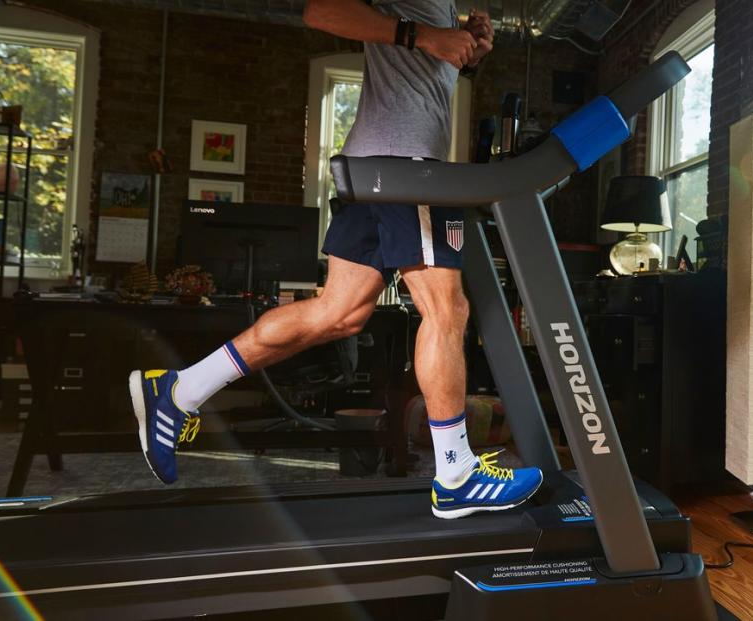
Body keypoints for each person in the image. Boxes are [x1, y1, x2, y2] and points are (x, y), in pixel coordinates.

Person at [128, 0, 543, 519]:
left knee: (338, 313)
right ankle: (456, 473)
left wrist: (467, 51)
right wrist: (426, 37)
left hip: (378, 166)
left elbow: (415, 65)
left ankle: (179, 388)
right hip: (403, 167)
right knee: (446, 310)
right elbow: (321, 12)